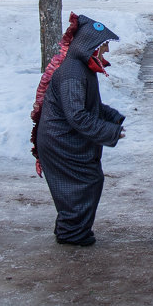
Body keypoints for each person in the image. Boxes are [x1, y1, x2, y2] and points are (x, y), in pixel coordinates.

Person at [30, 13, 125, 246]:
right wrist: (109, 131)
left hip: (63, 139)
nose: (107, 52)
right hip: (61, 142)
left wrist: (113, 118)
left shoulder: (79, 68)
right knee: (82, 185)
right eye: (103, 46)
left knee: (81, 185)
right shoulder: (73, 73)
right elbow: (78, 116)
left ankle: (70, 230)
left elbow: (88, 105)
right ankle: (72, 234)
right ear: (89, 46)